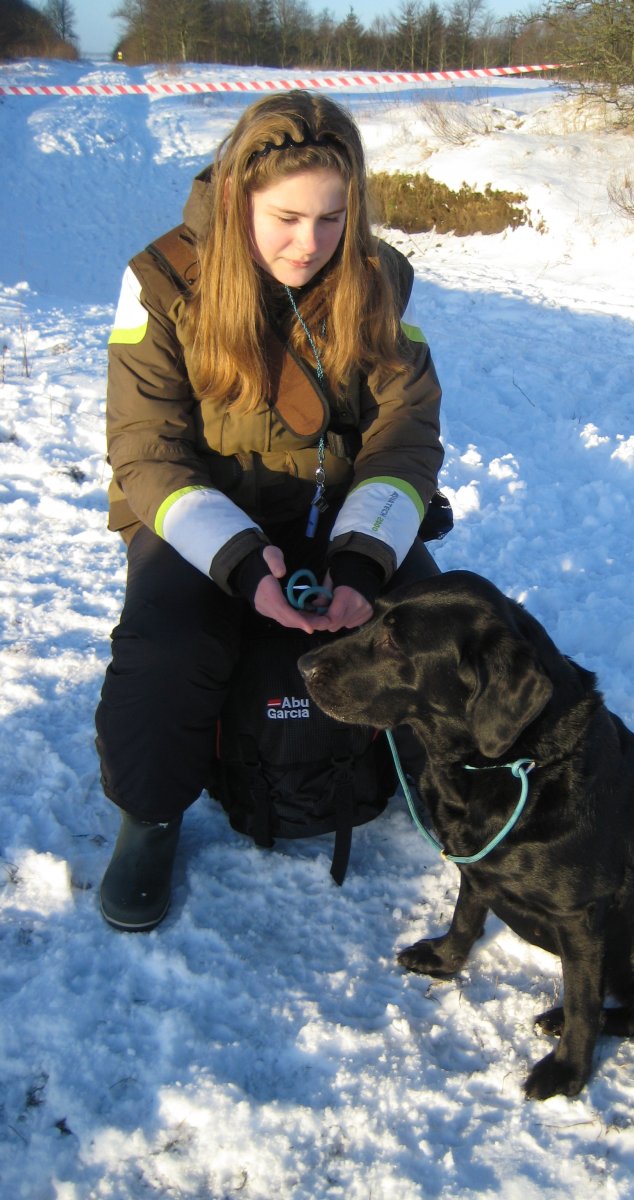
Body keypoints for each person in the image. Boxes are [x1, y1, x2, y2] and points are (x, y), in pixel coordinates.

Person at [95, 91, 444, 932]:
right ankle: (150, 816)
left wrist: (360, 562)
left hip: (340, 514)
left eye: (331, 219)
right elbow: (147, 451)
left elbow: (404, 441)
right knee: (169, 643)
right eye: (286, 218)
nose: (309, 244)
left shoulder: (378, 280)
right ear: (235, 199)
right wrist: (244, 562)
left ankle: (443, 781)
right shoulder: (160, 281)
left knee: (436, 624)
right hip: (201, 519)